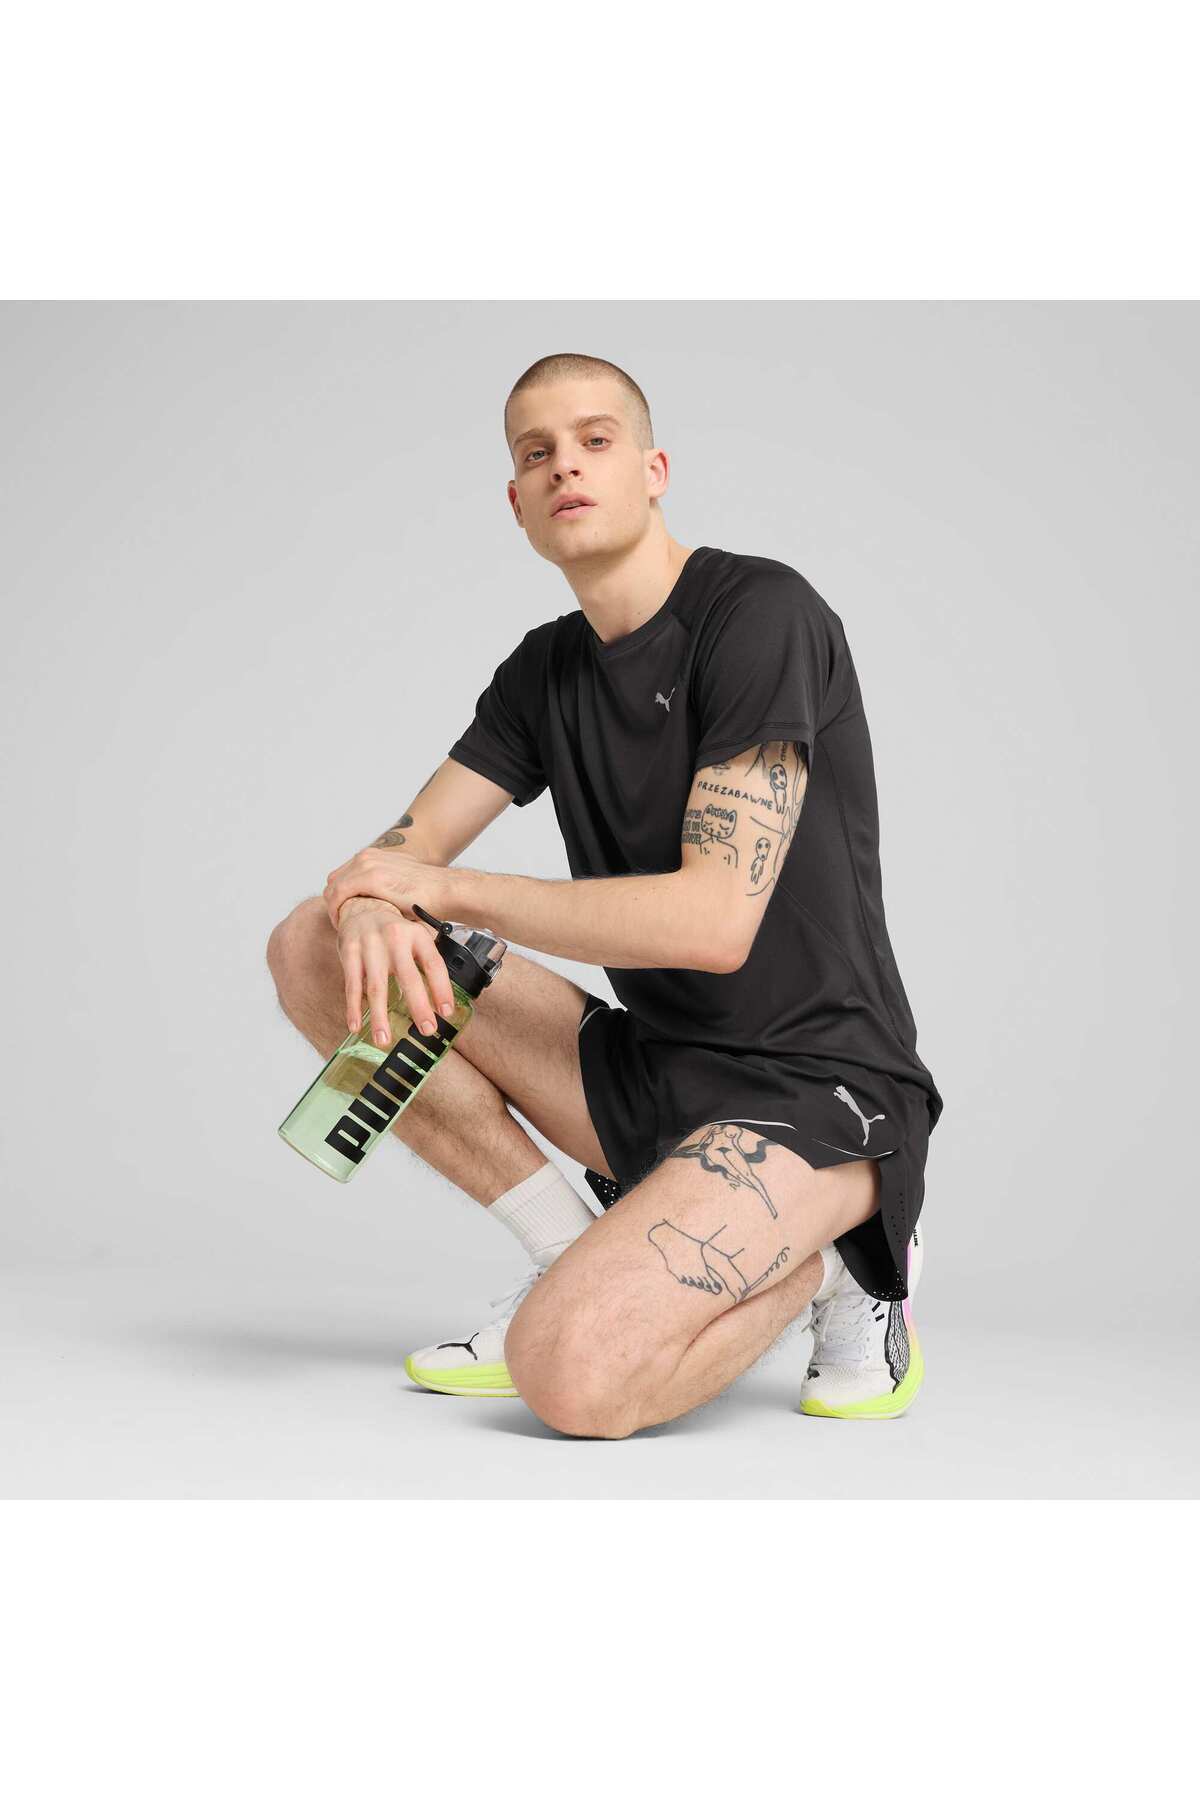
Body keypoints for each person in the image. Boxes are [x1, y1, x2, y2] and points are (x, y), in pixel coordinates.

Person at [267, 352, 944, 1438]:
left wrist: (437, 889)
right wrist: (371, 901)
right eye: (537, 453)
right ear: (517, 503)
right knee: (314, 941)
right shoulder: (544, 671)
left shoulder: (759, 613)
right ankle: (568, 1252)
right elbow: (403, 850)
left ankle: (847, 1257)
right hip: (654, 1070)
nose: (565, 467)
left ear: (654, 469)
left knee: (573, 1380)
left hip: (820, 1093)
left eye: (594, 441)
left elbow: (711, 923)